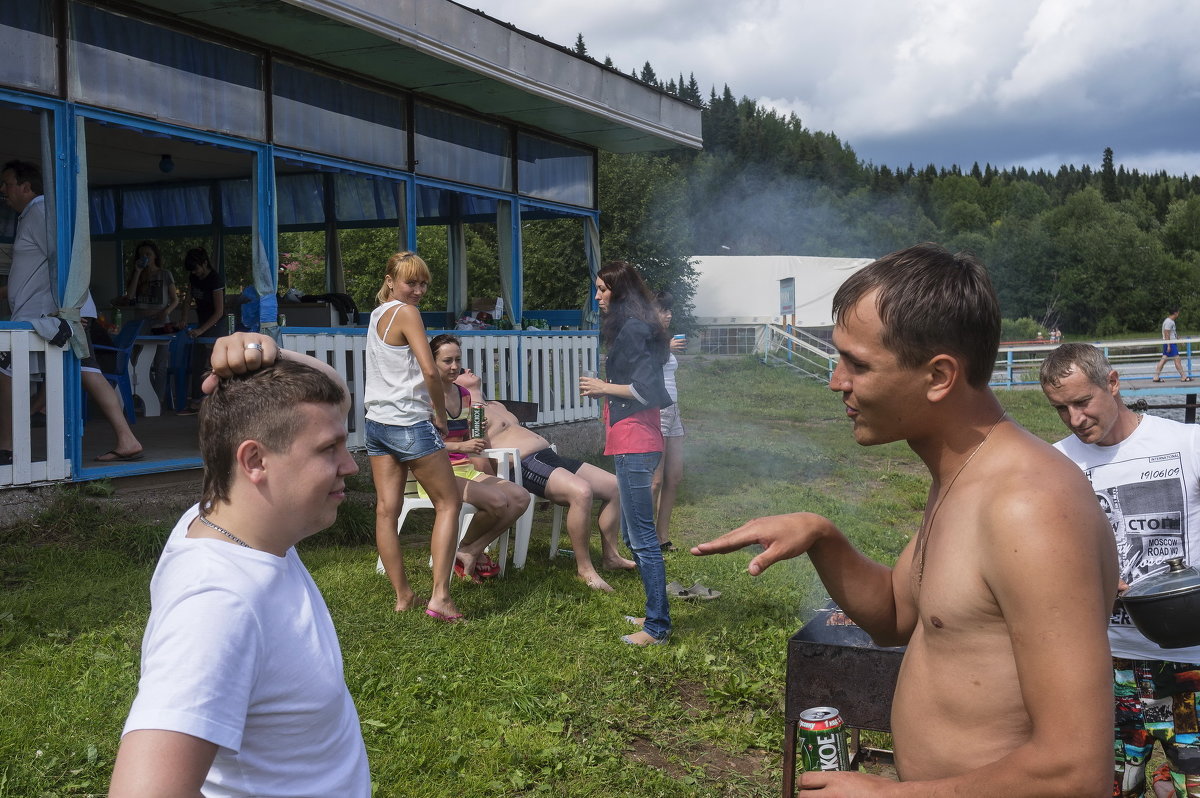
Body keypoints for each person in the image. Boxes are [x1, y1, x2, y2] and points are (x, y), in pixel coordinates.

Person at [693, 243, 1117, 793]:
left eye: (858, 364)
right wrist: (823, 537)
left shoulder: (1029, 507)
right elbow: (896, 615)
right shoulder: (964, 476)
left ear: (939, 375)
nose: (836, 381)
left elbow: (1076, 768)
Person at [108, 346, 369, 797]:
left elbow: (336, 392)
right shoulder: (217, 605)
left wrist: (263, 349)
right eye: (330, 449)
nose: (351, 465)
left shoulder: (229, 517)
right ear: (254, 462)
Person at [1040, 342, 1200, 798]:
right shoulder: (1054, 464)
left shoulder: (1187, 444)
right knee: (1110, 788)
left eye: (1082, 401)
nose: (1074, 419)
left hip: (1188, 666)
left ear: (1112, 383)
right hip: (1101, 664)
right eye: (1061, 409)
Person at [0, 160, 142, 464]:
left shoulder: (38, 212)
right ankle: (127, 438)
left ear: (26, 187)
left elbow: (62, 260)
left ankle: (7, 446)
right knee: (88, 371)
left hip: (51, 316)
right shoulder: (36, 214)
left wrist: (65, 311)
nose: (3, 190)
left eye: (7, 183)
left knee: (6, 368)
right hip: (63, 313)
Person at [454, 368, 637, 591]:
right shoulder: (469, 411)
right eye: (462, 370)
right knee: (582, 492)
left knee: (615, 487)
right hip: (524, 464)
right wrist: (494, 484)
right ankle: (585, 570)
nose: (467, 369)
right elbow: (478, 456)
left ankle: (611, 557)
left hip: (549, 457)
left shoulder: (495, 405)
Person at [580, 261, 674, 645]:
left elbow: (646, 389)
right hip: (632, 440)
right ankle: (654, 614)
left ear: (620, 293)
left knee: (642, 541)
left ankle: (657, 628)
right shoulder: (635, 327)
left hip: (637, 443)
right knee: (640, 537)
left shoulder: (634, 329)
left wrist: (603, 386)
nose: (598, 296)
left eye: (603, 290)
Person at [365, 251, 463, 622]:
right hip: (408, 422)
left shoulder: (377, 315)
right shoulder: (407, 313)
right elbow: (430, 371)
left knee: (386, 511)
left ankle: (403, 595)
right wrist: (440, 414)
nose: (419, 290)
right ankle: (440, 598)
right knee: (448, 503)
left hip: (377, 423)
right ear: (390, 280)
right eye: (411, 282)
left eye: (423, 283)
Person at [428, 333, 530, 581]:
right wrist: (463, 446)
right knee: (497, 501)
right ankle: (466, 550)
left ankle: (469, 549)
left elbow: (467, 438)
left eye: (457, 360)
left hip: (464, 470)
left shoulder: (463, 394)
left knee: (519, 497)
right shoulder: (424, 396)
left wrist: (479, 430)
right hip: (435, 473)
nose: (454, 367)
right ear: (432, 363)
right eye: (447, 361)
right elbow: (424, 447)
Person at [118, 239, 178, 400]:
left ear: (155, 256)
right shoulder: (136, 275)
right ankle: (141, 396)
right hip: (141, 321)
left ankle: (158, 399)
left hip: (161, 320)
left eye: (148, 254)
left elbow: (175, 299)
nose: (145, 257)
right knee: (137, 361)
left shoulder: (165, 274)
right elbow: (130, 297)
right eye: (141, 255)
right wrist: (137, 271)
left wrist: (166, 311)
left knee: (160, 363)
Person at [652, 290, 687, 552]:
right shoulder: (643, 338)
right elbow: (637, 366)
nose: (668, 314)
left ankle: (662, 535)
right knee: (654, 481)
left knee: (674, 477)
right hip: (656, 409)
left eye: (669, 310)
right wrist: (665, 347)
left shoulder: (662, 339)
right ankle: (645, 538)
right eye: (663, 310)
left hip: (673, 411)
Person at [177, 246, 226, 414]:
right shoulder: (193, 277)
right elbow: (187, 300)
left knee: (214, 364)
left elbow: (219, 312)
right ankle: (196, 401)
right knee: (197, 362)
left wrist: (201, 330)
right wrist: (183, 318)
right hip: (201, 324)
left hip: (216, 325)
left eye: (196, 269)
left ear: (204, 263)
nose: (195, 273)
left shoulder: (215, 280)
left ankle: (216, 402)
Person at [1153, 307, 1191, 383]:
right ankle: (1183, 377)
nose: (1178, 314)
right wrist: (1169, 345)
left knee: (1163, 360)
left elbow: (1173, 333)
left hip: (1169, 343)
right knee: (1177, 360)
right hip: (1170, 343)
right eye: (1178, 312)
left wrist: (1179, 341)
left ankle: (1156, 377)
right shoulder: (1169, 322)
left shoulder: (1171, 321)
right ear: (1175, 313)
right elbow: (1166, 333)